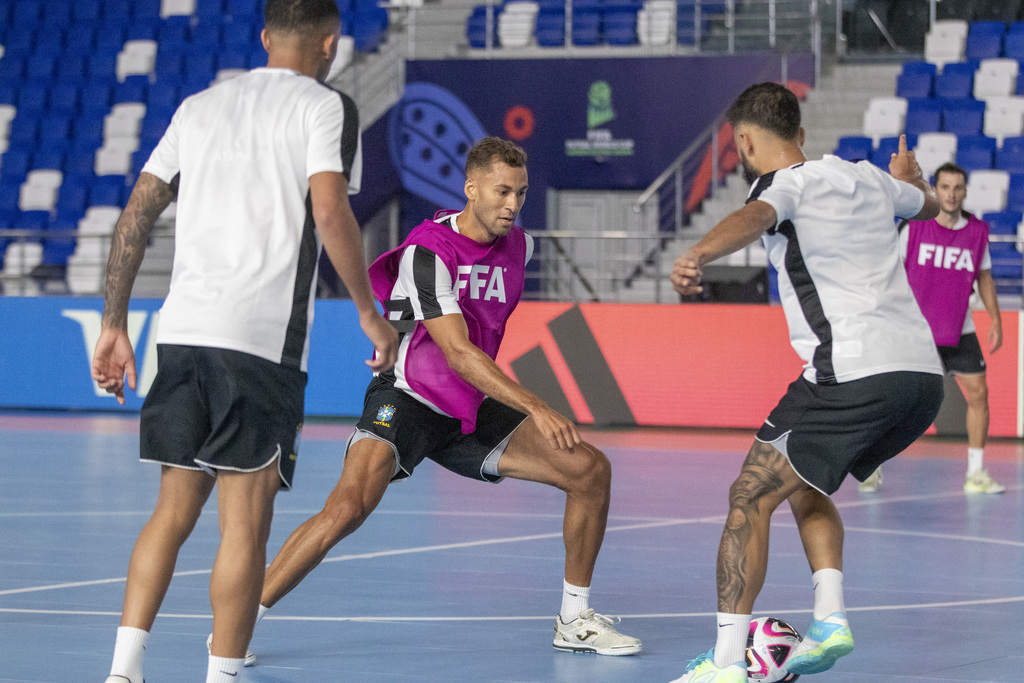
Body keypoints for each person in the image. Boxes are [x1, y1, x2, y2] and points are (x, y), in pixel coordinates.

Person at [92, 2, 398, 681]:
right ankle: (223, 672)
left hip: (182, 332)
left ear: (264, 37)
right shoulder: (325, 106)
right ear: (332, 41)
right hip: (259, 342)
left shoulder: (199, 106)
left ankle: (122, 669)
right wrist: (369, 313)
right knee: (245, 523)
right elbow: (328, 208)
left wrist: (114, 322)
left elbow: (136, 213)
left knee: (172, 510)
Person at [247, 136, 642, 658]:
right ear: (470, 188)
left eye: (521, 193)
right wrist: (538, 405)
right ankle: (240, 619)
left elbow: (478, 345)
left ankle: (574, 620)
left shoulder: (519, 246)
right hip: (410, 394)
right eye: (502, 192)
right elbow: (456, 351)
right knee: (347, 508)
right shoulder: (428, 251)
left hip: (470, 404)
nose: (513, 204)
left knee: (590, 471)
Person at [666, 83, 944, 682]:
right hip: (921, 379)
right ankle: (830, 620)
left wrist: (699, 254)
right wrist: (910, 180)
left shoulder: (780, 185)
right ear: (801, 131)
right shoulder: (867, 176)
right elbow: (927, 208)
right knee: (802, 481)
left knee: (748, 496)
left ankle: (723, 667)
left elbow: (755, 216)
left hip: (852, 373)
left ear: (743, 140)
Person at [859, 162, 1004, 494]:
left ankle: (976, 473)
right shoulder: (913, 228)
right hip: (914, 330)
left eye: (957, 188)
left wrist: (995, 319)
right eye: (945, 187)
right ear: (935, 190)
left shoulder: (978, 232)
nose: (951, 194)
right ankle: (871, 466)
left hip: (959, 328)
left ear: (965, 192)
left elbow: (984, 277)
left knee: (980, 394)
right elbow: (886, 270)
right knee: (892, 400)